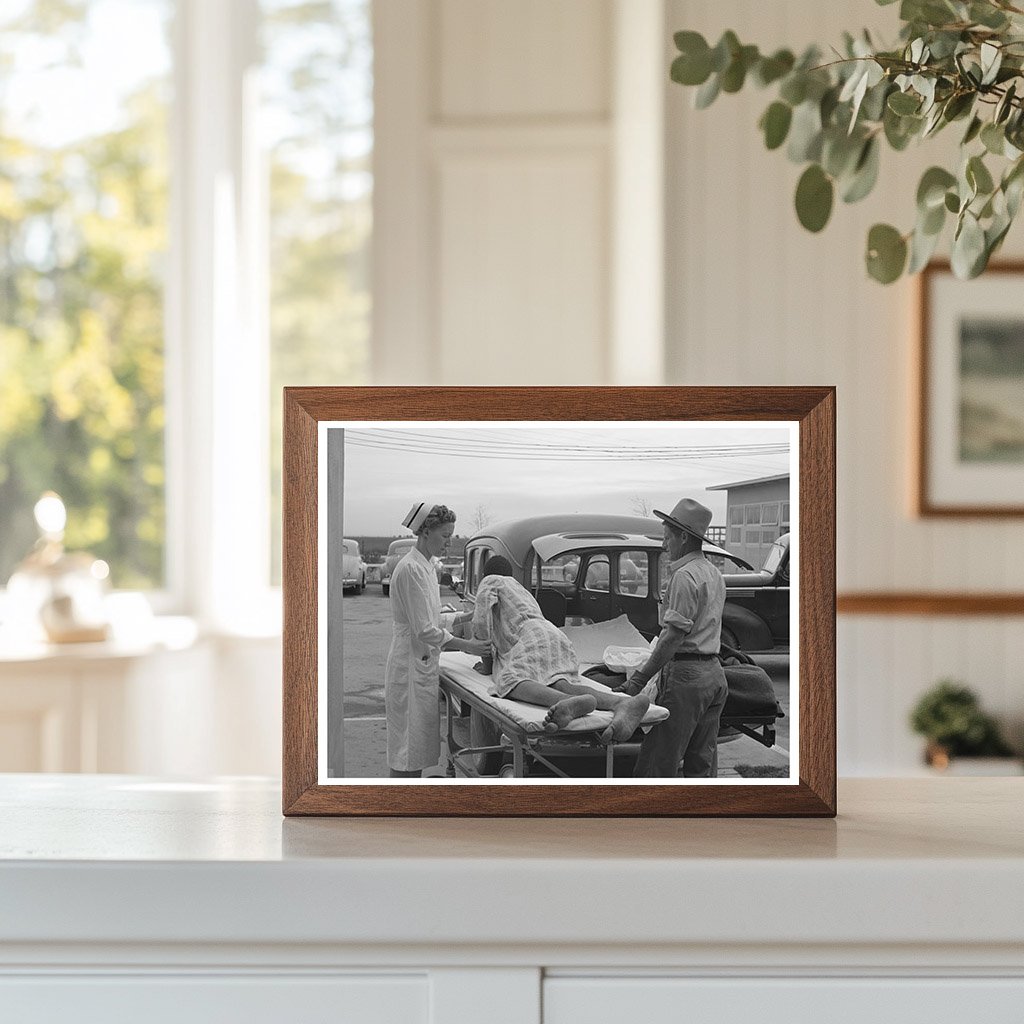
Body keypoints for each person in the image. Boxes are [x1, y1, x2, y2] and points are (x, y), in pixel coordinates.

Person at [471, 556, 651, 742]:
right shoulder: (519, 589)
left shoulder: (489, 582)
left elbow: (481, 624)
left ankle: (564, 701)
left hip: (529, 636)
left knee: (509, 681)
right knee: (557, 681)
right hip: (554, 636)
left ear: (485, 574)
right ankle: (622, 702)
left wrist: (487, 665)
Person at [614, 498, 728, 778]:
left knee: (658, 764)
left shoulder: (684, 576)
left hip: (686, 679)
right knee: (701, 765)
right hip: (714, 675)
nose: (665, 545)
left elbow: (672, 637)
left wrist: (638, 680)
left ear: (684, 537)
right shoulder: (714, 573)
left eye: (667, 538)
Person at [384, 502, 489, 778]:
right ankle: (398, 802)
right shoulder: (411, 569)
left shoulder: (427, 567)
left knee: (416, 750)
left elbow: (431, 618)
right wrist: (468, 647)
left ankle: (410, 798)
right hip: (409, 665)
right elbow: (424, 630)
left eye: (451, 536)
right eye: (445, 536)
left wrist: (466, 617)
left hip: (422, 664)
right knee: (406, 752)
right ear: (425, 532)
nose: (448, 543)